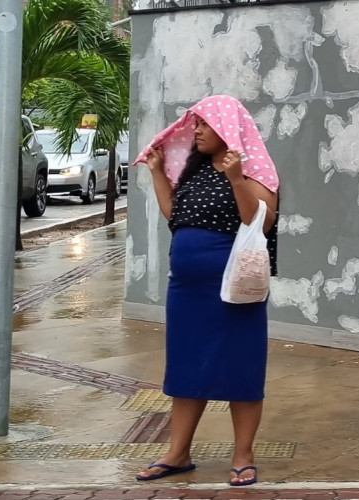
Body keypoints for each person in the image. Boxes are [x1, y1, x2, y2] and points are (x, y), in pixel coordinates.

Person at [132, 95, 279, 486]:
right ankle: (178, 453)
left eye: (204, 124)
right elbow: (174, 215)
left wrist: (236, 178)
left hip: (234, 291)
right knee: (185, 370)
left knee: (241, 370)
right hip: (186, 291)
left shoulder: (255, 172)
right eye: (194, 124)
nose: (195, 130)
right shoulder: (194, 173)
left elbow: (258, 222)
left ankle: (243, 455)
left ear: (228, 130)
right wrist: (158, 172)